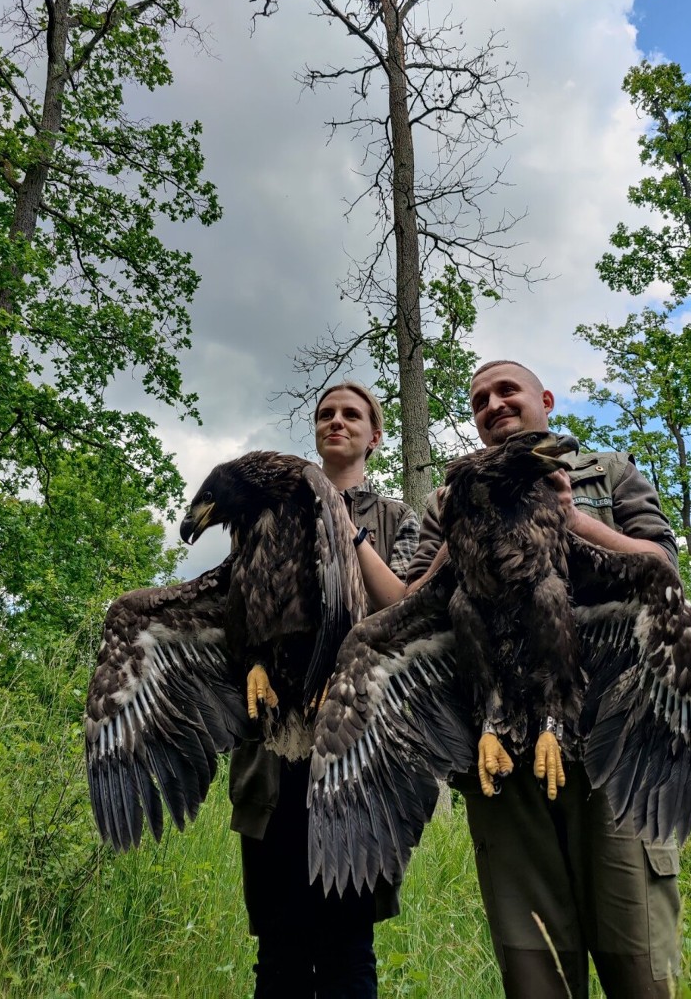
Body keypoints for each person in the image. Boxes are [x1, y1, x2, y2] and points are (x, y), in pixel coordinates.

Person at [405, 360, 682, 999]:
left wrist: (575, 521)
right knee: (539, 981)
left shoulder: (603, 472)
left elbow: (663, 568)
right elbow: (416, 604)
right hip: (502, 759)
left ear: (545, 400)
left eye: (507, 391)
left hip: (612, 746)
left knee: (637, 971)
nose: (494, 405)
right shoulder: (446, 500)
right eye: (479, 400)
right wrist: (460, 536)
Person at [230, 382, 420, 999]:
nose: (336, 421)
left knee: (346, 950)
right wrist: (255, 660)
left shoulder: (396, 520)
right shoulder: (268, 511)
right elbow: (237, 611)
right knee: (280, 951)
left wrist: (345, 526)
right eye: (325, 414)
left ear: (376, 434)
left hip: (358, 762)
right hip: (275, 759)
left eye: (352, 414)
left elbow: (408, 613)